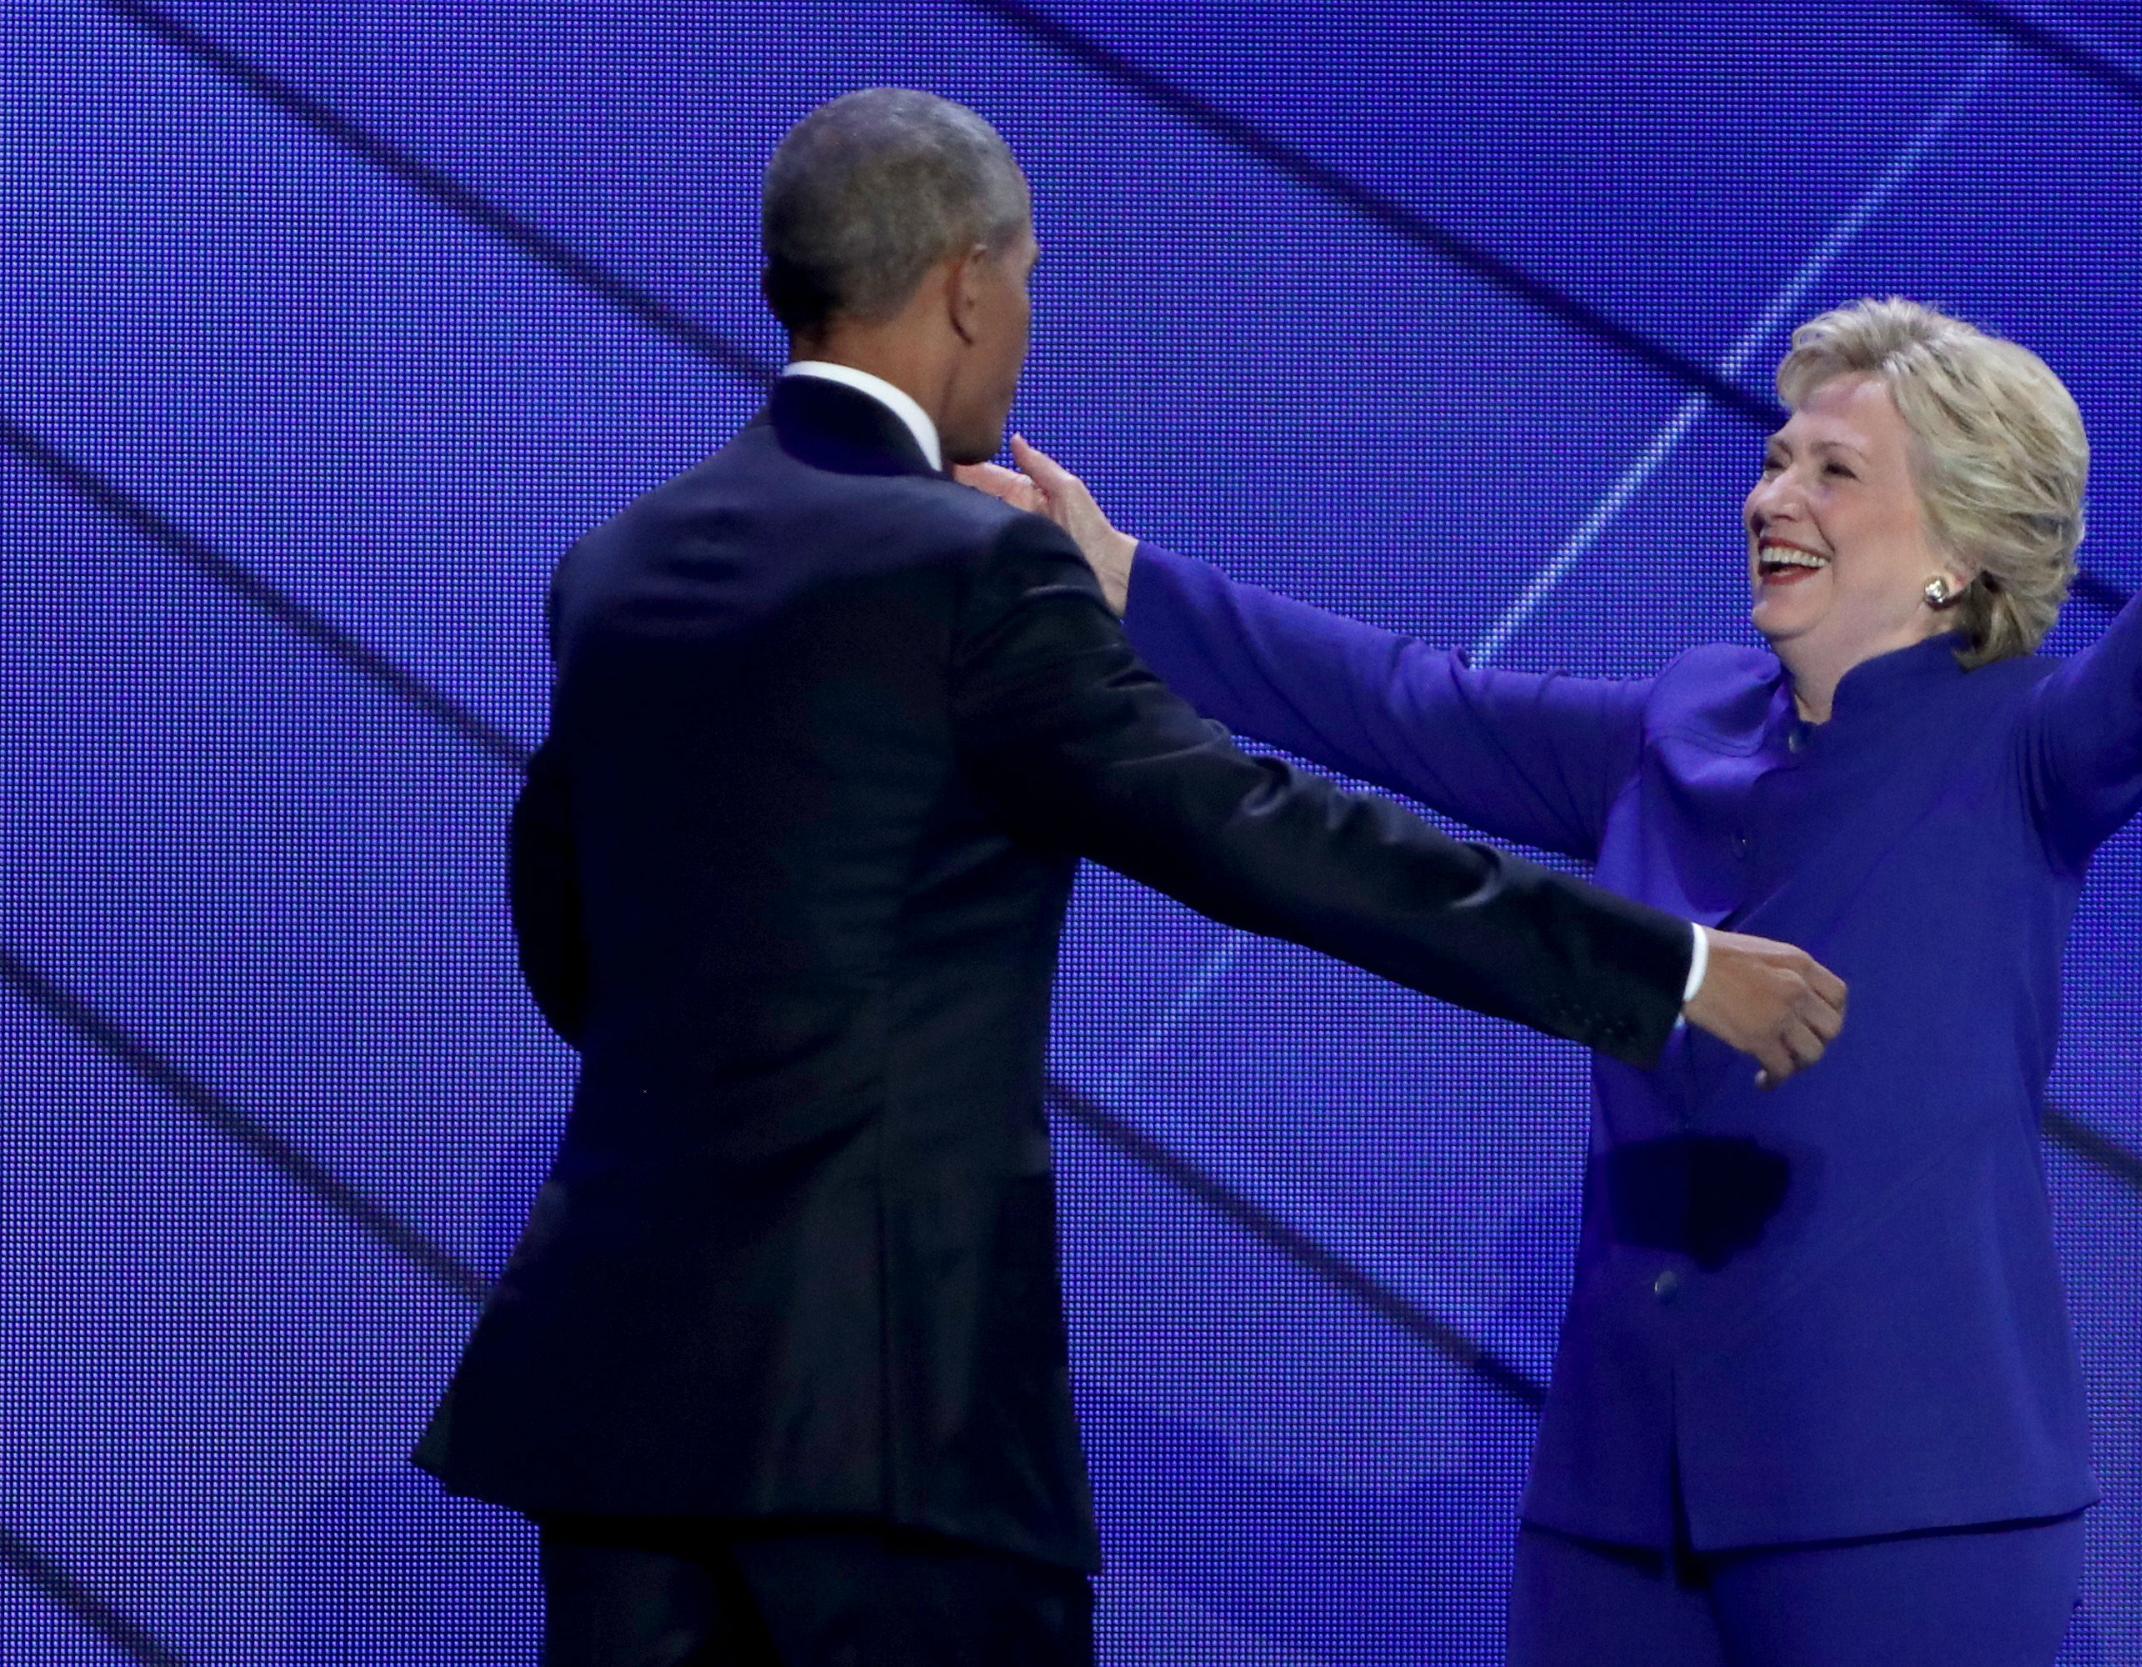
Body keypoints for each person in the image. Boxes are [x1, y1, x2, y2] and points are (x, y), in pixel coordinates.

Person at [412, 89, 1849, 1667]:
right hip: (892, 1431)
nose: (1026, 323)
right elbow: (1265, 834)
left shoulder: (619, 568)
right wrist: (1674, 967)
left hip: (611, 1415)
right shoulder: (973, 569)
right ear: (968, 285)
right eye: (1029, 280)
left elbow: (570, 951)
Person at [969, 296, 2142, 1666]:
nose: (1775, 497)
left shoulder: (2020, 748)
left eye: (1835, 471)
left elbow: (2124, 712)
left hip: (1908, 1510)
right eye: (1778, 461)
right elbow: (1410, 707)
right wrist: (1127, 582)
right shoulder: (1681, 722)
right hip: (1618, 1503)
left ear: (1963, 552)